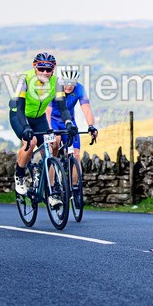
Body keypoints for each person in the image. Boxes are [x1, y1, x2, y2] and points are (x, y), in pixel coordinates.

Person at [9, 52, 77, 208]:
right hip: (19, 116)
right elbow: (19, 107)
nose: (45, 72)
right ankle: (19, 175)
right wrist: (26, 127)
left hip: (39, 118)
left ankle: (51, 190)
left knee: (52, 147)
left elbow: (63, 107)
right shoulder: (25, 79)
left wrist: (68, 123)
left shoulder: (57, 82)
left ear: (53, 69)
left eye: (49, 69)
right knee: (31, 142)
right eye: (41, 69)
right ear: (35, 67)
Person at [46, 65, 98, 209]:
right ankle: (52, 188)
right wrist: (49, 130)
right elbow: (47, 111)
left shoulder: (80, 89)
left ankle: (75, 190)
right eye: (66, 83)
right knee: (55, 146)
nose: (69, 86)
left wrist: (91, 126)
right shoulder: (54, 88)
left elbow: (86, 109)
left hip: (69, 122)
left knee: (76, 154)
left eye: (72, 83)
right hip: (53, 122)